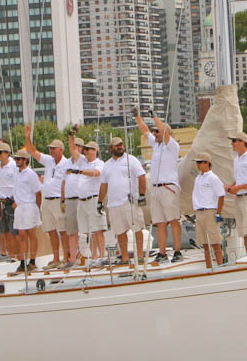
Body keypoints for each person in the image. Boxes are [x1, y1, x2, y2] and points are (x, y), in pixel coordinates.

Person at [135, 107, 183, 263]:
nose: (154, 134)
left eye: (157, 132)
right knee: (160, 222)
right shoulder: (156, 146)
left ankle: (177, 251)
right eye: (154, 132)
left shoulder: (172, 146)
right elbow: (144, 130)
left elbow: (163, 130)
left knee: (173, 220)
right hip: (156, 189)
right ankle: (162, 253)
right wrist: (137, 116)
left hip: (169, 187)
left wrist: (154, 116)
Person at [98, 136, 147, 265]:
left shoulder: (131, 160)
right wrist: (99, 201)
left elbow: (142, 176)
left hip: (129, 200)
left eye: (121, 144)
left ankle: (140, 256)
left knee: (137, 228)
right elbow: (104, 185)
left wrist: (142, 195)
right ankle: (125, 258)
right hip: (113, 203)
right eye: (117, 145)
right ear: (111, 148)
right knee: (119, 231)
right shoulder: (107, 165)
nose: (120, 147)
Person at [25, 125, 67, 269]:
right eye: (50, 148)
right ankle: (56, 258)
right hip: (47, 200)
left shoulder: (66, 164)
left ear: (61, 150)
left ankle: (66, 257)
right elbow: (33, 151)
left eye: (53, 148)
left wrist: (64, 200)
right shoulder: (49, 160)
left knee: (63, 230)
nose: (51, 150)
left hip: (58, 200)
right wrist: (28, 137)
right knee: (51, 230)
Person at [72, 141, 107, 265]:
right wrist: (71, 136)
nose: (86, 151)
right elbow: (73, 151)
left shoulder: (99, 163)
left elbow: (96, 173)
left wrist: (80, 172)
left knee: (98, 230)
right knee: (88, 232)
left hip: (93, 199)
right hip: (82, 201)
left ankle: (102, 257)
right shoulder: (83, 161)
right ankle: (94, 257)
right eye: (85, 149)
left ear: (95, 150)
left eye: (89, 149)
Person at [191, 152, 225, 269]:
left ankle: (220, 266)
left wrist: (218, 213)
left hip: (210, 211)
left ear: (207, 163)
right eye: (197, 162)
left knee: (215, 242)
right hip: (199, 211)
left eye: (200, 162)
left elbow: (221, 195)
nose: (197, 165)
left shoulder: (213, 177)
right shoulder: (198, 178)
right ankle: (209, 267)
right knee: (205, 244)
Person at [11, 149, 43, 273]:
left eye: (19, 159)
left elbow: (38, 192)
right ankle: (23, 262)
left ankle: (33, 261)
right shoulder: (16, 173)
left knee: (31, 234)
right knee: (22, 235)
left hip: (30, 205)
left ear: (25, 160)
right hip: (20, 207)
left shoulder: (30, 174)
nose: (17, 161)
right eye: (16, 159)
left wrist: (37, 207)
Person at [0, 140, 18, 260]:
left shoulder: (14, 165)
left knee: (13, 231)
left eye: (0, 152)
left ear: (7, 153)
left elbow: (19, 184)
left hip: (11, 201)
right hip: (0, 201)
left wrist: (17, 201)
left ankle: (16, 254)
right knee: (2, 229)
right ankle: (6, 253)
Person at [60, 130, 84, 268]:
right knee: (71, 231)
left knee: (85, 229)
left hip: (82, 199)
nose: (75, 148)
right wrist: (62, 200)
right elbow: (63, 182)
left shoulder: (84, 161)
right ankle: (73, 258)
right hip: (69, 200)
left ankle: (89, 256)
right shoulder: (66, 163)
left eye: (77, 146)